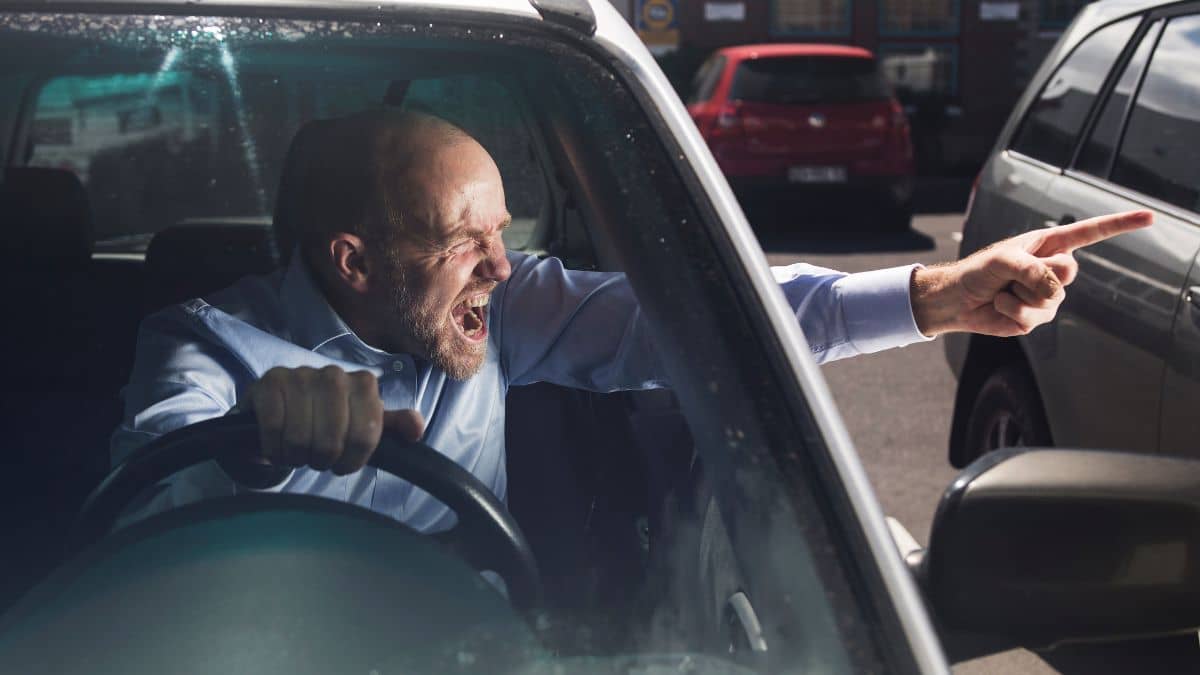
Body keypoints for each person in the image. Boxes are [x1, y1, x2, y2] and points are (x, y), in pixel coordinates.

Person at [112, 110, 1151, 530]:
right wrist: (251, 446)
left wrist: (938, 296)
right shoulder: (206, 344)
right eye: (464, 240)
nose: (503, 264)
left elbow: (720, 320)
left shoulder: (505, 313)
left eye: (502, 229)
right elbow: (147, 476)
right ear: (354, 260)